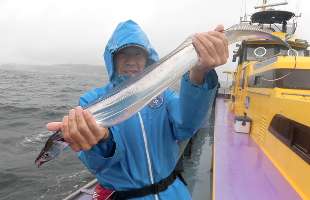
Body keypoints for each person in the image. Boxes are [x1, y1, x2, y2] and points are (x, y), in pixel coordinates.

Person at [47, 20, 228, 200]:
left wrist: (198, 74)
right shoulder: (91, 101)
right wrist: (104, 141)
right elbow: (97, 165)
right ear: (112, 58)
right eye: (124, 54)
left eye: (138, 54)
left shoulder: (164, 95)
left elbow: (187, 126)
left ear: (147, 59)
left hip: (174, 192)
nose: (132, 60)